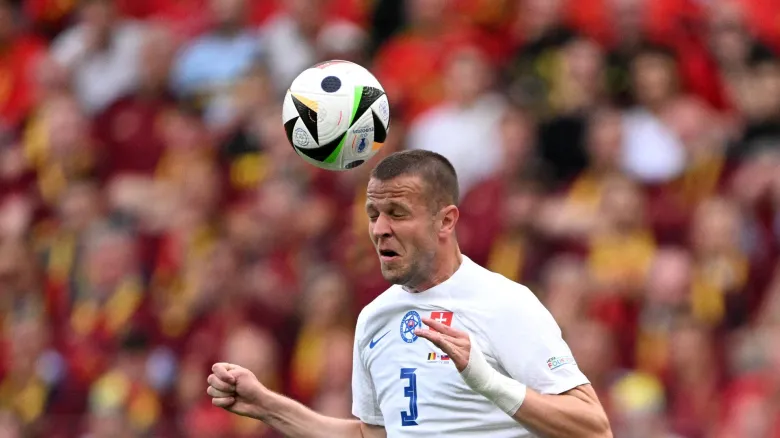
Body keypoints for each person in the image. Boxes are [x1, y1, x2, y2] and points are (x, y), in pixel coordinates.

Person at [207, 150, 613, 437]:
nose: (380, 229)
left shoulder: (504, 303)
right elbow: (373, 435)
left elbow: (593, 427)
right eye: (373, 214)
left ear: (445, 221)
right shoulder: (374, 318)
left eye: (397, 214)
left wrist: (489, 382)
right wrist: (268, 406)